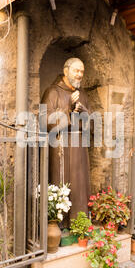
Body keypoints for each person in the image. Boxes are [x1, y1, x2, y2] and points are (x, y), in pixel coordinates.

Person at [41, 57, 91, 227]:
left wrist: (84, 111)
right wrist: (68, 109)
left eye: (82, 71)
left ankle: (80, 223)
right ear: (65, 71)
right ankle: (60, 225)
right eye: (76, 70)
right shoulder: (52, 92)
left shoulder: (83, 94)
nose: (79, 75)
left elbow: (92, 124)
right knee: (61, 183)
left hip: (79, 148)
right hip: (60, 146)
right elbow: (44, 120)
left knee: (79, 185)